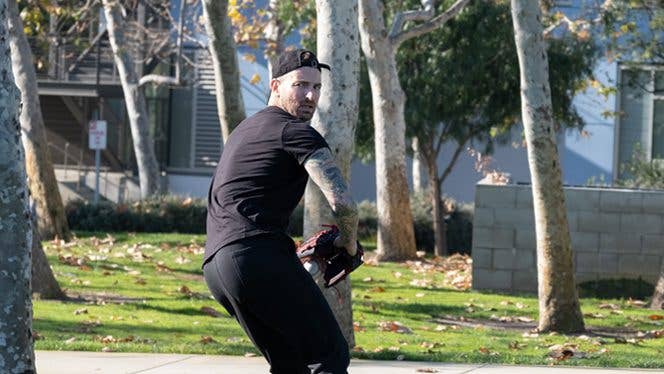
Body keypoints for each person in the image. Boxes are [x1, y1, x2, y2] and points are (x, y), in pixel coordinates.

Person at [203, 49, 359, 374]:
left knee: (291, 365)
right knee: (330, 356)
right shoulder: (296, 132)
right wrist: (349, 242)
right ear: (275, 85)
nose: (310, 95)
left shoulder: (244, 131)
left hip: (218, 268)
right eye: (300, 85)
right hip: (255, 257)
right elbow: (344, 204)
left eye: (316, 87)